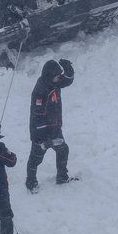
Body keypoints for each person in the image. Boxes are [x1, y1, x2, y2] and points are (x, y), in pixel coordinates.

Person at [25, 59, 74, 193]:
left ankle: (62, 177)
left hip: (54, 128)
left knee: (63, 150)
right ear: (50, 75)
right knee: (36, 158)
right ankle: (31, 182)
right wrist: (45, 139)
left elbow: (67, 80)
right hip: (40, 133)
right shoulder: (40, 91)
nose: (59, 78)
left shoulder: (54, 83)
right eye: (57, 75)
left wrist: (68, 68)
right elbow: (38, 117)